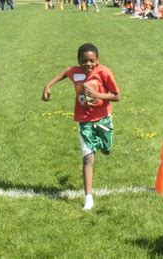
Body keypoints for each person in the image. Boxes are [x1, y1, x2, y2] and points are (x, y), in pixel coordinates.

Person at [41, 43, 120, 211]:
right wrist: (48, 85)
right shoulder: (75, 72)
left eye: (91, 61)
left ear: (97, 60)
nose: (88, 64)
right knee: (87, 158)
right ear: (78, 61)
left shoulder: (104, 72)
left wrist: (98, 95)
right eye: (84, 61)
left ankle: (103, 143)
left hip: (103, 119)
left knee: (106, 149)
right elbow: (65, 73)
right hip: (84, 120)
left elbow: (116, 96)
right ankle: (88, 198)